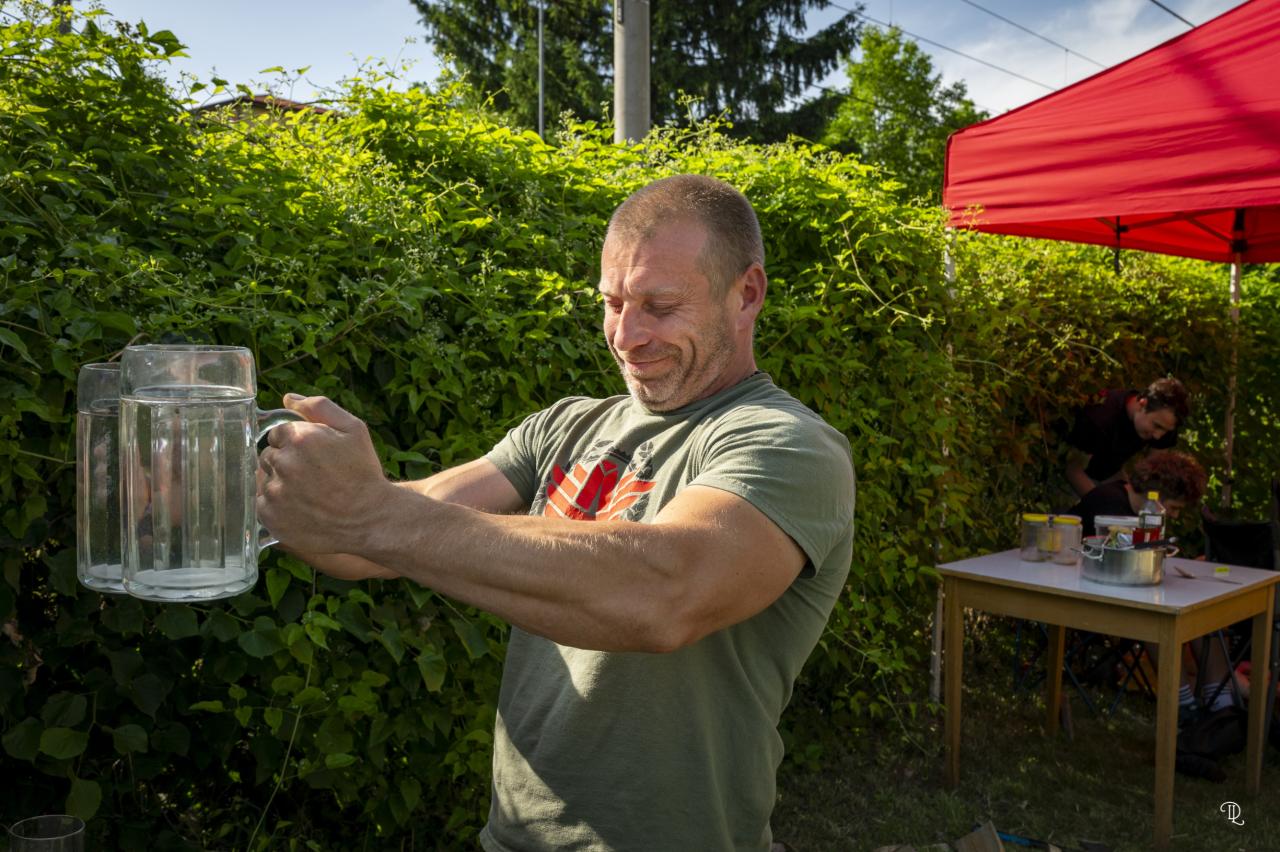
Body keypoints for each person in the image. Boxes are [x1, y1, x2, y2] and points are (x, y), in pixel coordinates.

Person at [256, 174, 857, 851]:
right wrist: (231, 490)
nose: (626, 335)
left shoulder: (789, 445)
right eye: (612, 303)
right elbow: (364, 542)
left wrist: (371, 514)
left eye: (660, 306)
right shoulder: (564, 427)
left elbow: (664, 593)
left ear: (746, 294)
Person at [1063, 377, 1190, 499]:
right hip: (1070, 480)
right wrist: (1103, 505)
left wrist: (1145, 500)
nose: (1157, 436)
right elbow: (1073, 470)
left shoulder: (1164, 422)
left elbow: (1152, 472)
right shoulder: (1100, 418)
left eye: (1165, 431)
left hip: (1110, 474)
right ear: (1143, 403)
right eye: (1156, 426)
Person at [1068, 449, 1207, 537]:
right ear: (1155, 493)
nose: (1175, 515)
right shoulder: (1110, 504)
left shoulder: (1126, 500)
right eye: (1174, 507)